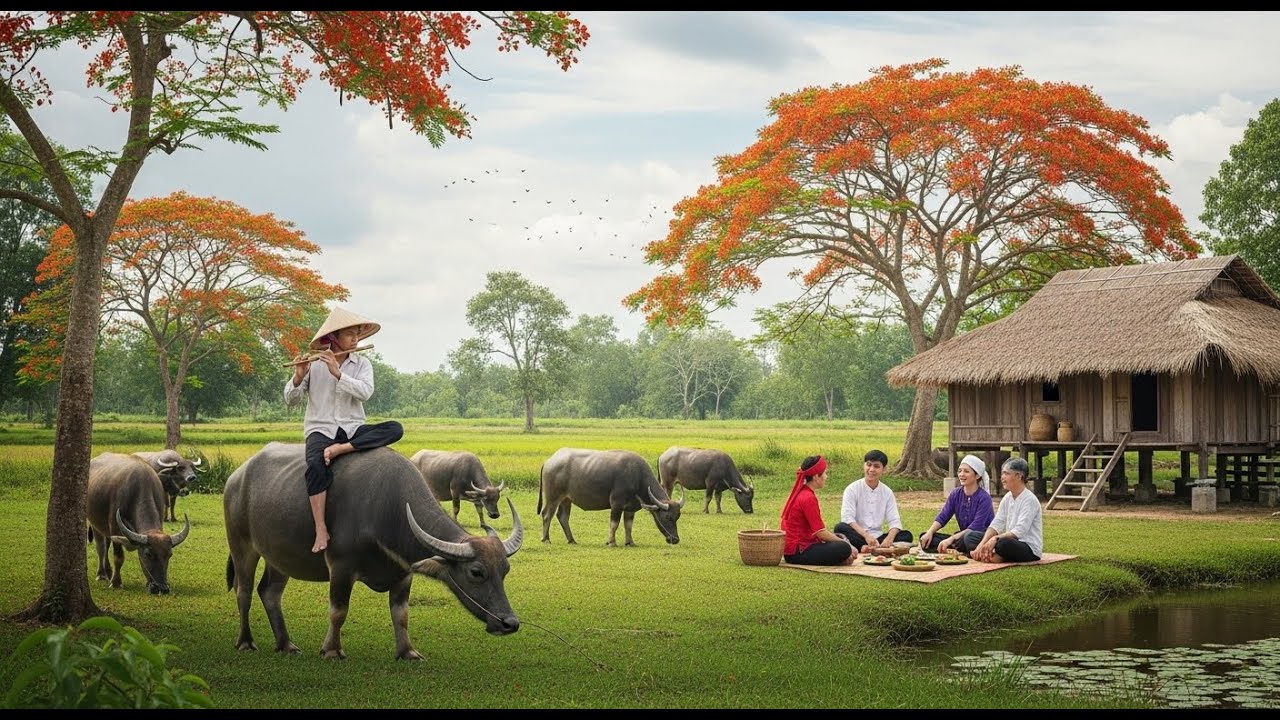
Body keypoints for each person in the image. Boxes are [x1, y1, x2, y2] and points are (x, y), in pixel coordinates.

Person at [285, 306, 404, 553]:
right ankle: (320, 528)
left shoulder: (362, 364)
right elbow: (291, 400)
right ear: (333, 337)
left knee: (395, 428)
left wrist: (338, 374)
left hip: (352, 428)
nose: (355, 339)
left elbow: (365, 393)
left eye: (357, 334)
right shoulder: (314, 365)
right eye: (350, 334)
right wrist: (298, 376)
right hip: (321, 429)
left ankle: (342, 449)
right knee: (315, 465)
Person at [780, 455, 855, 566]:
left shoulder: (803, 492)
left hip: (796, 549)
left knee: (839, 536)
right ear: (816, 476)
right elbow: (821, 533)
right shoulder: (808, 498)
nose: (826, 477)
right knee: (844, 547)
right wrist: (847, 545)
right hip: (798, 552)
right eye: (825, 473)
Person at [834, 449, 913, 553]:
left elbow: (894, 520)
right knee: (840, 528)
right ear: (864, 466)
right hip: (857, 534)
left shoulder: (887, 492)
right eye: (868, 465)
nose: (871, 469)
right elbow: (848, 518)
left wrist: (889, 539)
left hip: (878, 538)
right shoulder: (852, 489)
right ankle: (865, 546)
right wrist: (866, 536)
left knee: (906, 535)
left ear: (884, 469)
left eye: (876, 466)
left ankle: (872, 548)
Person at [918, 454, 994, 555]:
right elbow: (943, 516)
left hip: (978, 537)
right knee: (927, 538)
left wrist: (951, 539)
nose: (961, 474)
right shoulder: (955, 494)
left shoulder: (984, 498)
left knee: (968, 538)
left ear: (977, 475)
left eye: (966, 471)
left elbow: (976, 526)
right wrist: (930, 532)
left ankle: (956, 546)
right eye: (960, 471)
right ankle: (956, 548)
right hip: (961, 537)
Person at [973, 457, 1043, 564]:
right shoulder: (1007, 497)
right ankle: (989, 553)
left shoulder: (1030, 500)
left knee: (1002, 544)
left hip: (1028, 548)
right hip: (1011, 542)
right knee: (971, 537)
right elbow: (997, 523)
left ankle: (995, 555)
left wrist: (995, 539)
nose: (1002, 477)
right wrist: (981, 544)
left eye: (1006, 473)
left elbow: (1020, 531)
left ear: (1019, 476)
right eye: (1002, 473)